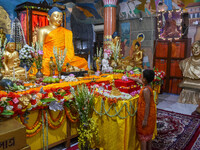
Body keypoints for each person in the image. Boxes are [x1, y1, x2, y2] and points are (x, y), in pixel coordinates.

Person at [30, 7, 88, 76]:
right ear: (48, 17)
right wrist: (40, 58)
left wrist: (65, 58)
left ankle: (69, 70)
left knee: (82, 61)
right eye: (56, 16)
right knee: (45, 64)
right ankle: (67, 70)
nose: (59, 19)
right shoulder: (43, 30)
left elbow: (69, 49)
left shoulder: (65, 31)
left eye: (61, 17)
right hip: (50, 58)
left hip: (64, 58)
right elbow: (40, 48)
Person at [129, 69, 156, 150]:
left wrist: (145, 120)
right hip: (148, 113)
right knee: (148, 134)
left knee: (144, 137)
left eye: (142, 76)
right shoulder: (147, 85)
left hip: (145, 114)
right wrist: (132, 78)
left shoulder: (146, 90)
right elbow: (139, 80)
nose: (140, 77)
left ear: (144, 79)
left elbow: (147, 105)